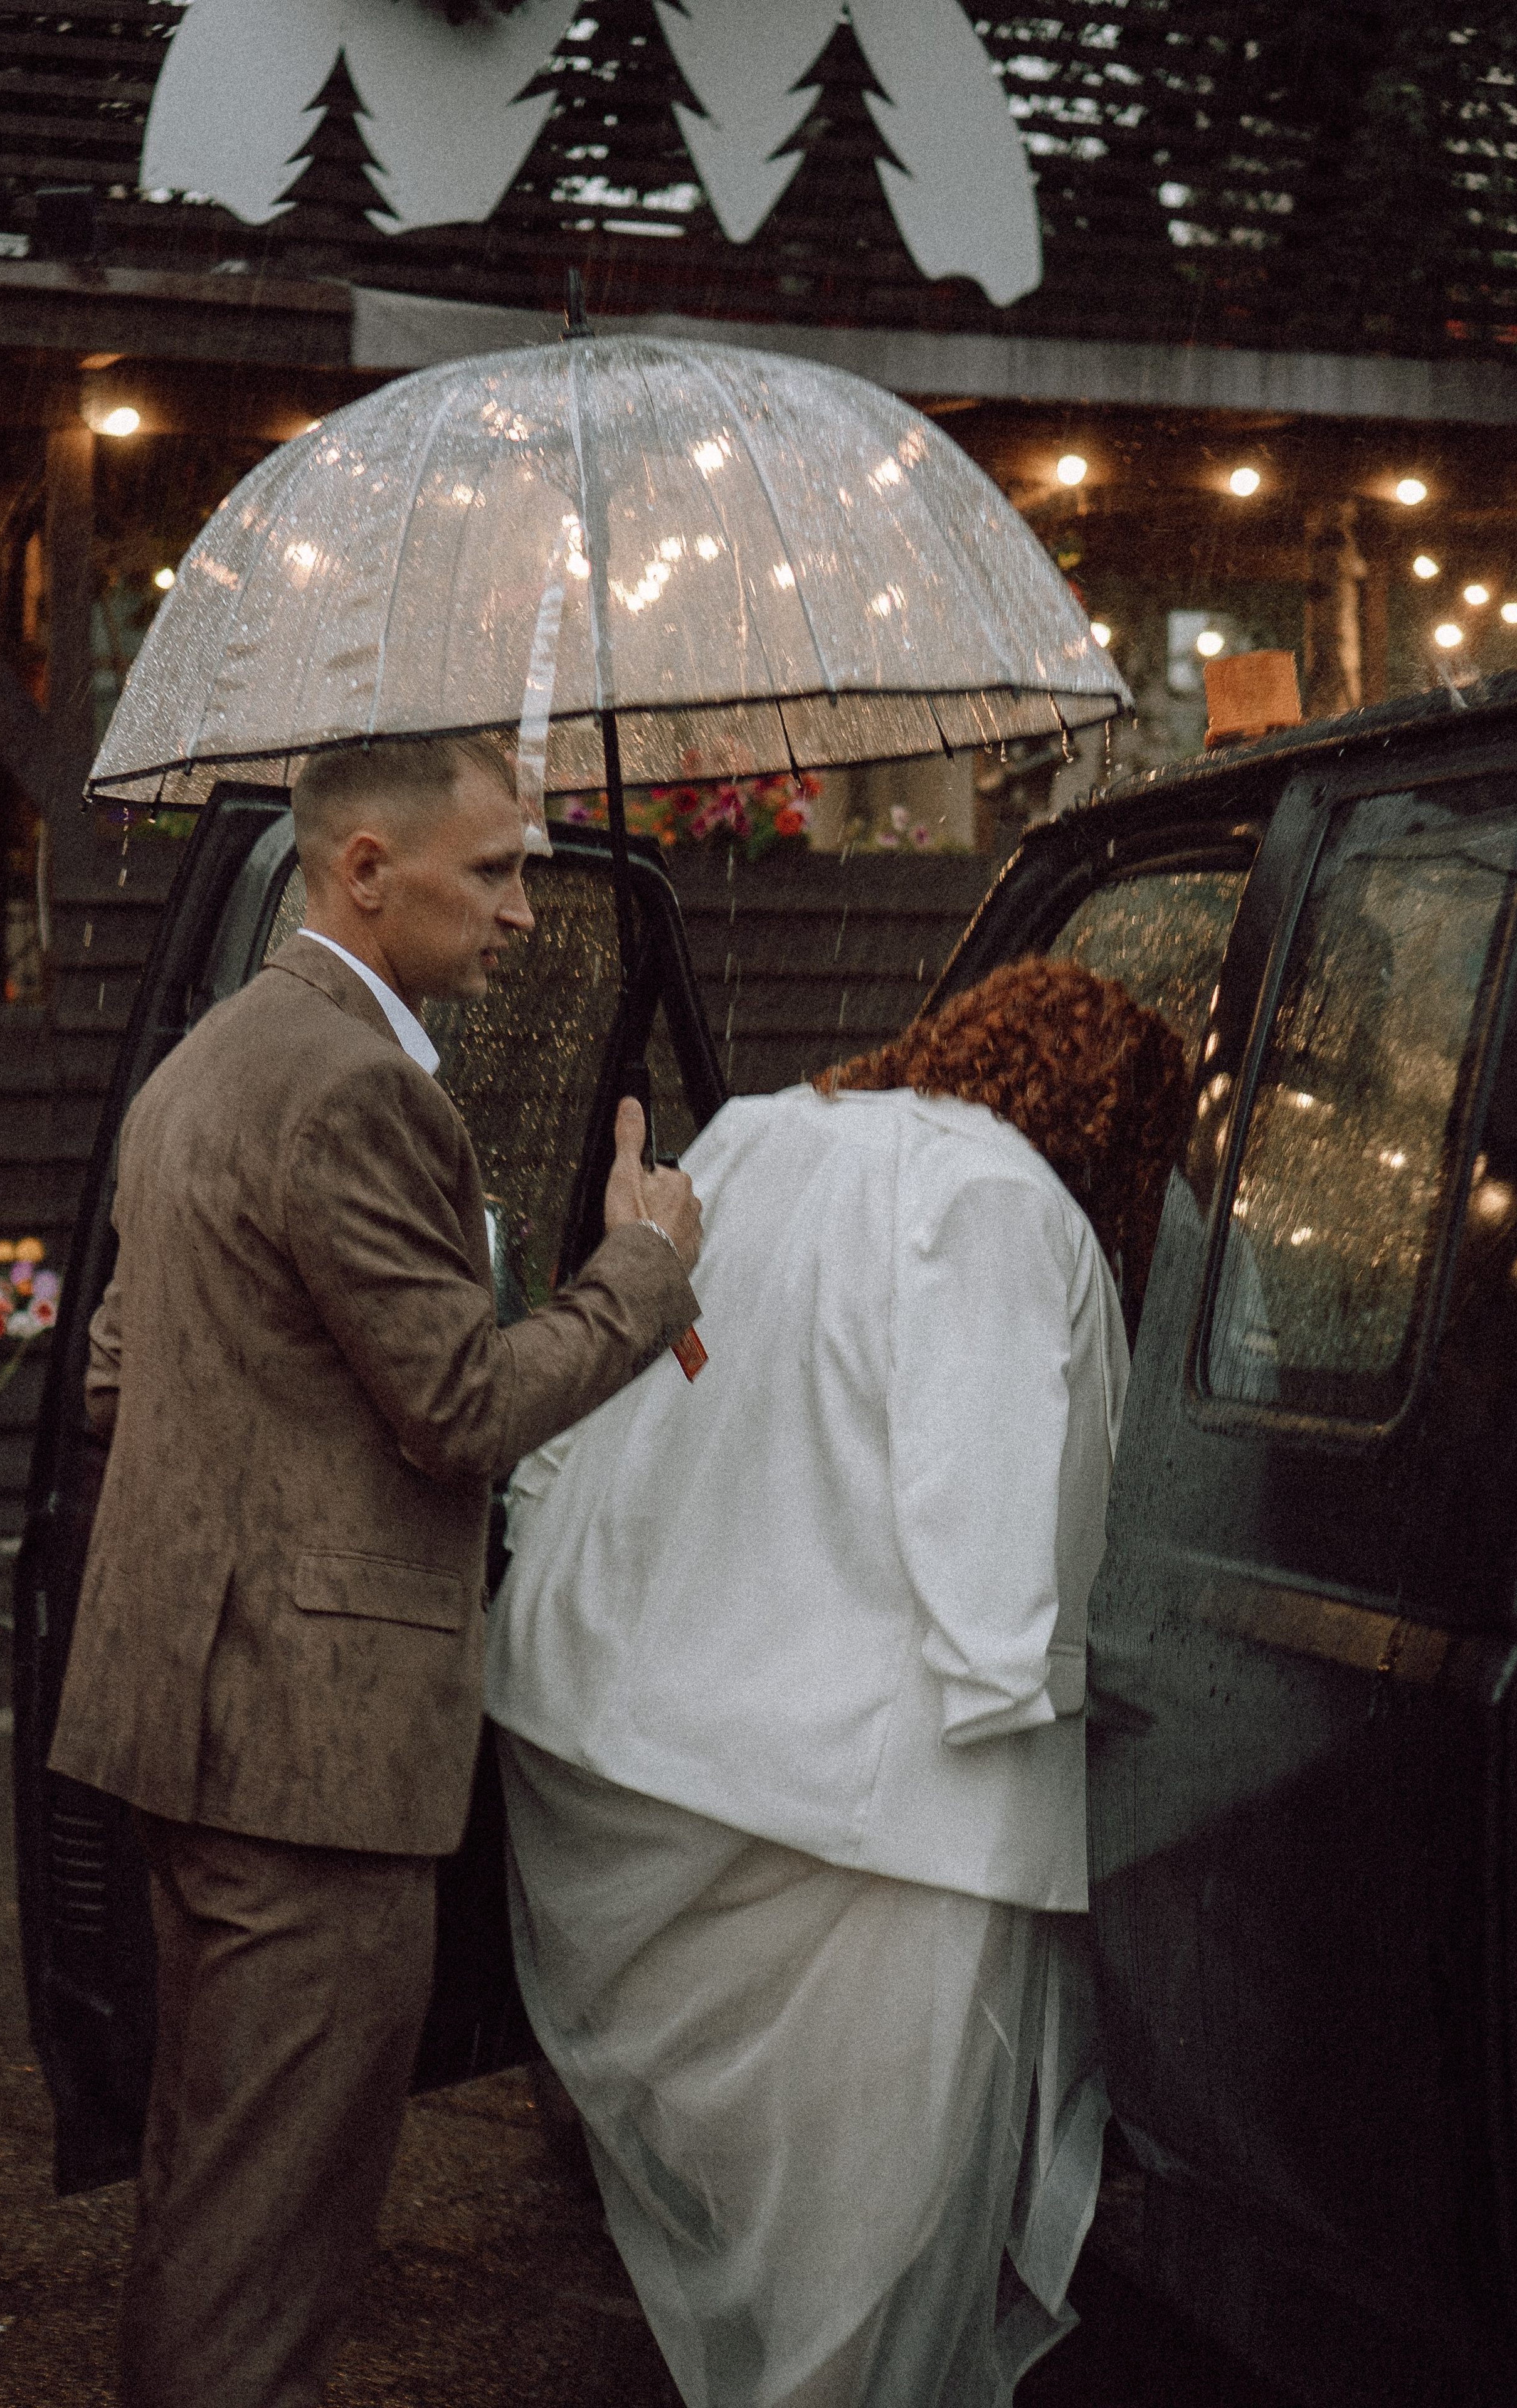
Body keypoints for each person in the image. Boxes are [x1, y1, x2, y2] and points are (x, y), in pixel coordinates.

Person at [48, 732, 704, 2408]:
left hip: (198, 1723)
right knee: (271, 2240)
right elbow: (461, 1406)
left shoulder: (207, 1063)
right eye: (492, 870)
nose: (528, 915)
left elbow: (132, 1373)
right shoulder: (353, 1087)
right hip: (311, 1756)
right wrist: (639, 1274)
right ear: (361, 869)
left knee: (217, 2186)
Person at [484, 956, 1189, 2408]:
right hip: (872, 1814)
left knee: (751, 2188)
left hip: (646, 1740)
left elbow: (654, 1387)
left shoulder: (755, 1131)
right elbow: (975, 1497)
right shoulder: (1004, 1202)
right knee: (873, 2227)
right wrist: (1047, 1685)